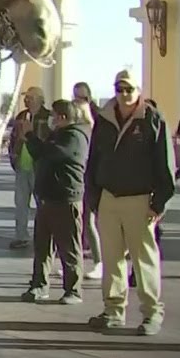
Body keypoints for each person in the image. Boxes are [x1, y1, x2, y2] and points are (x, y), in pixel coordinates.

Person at [85, 70, 174, 335]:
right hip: (109, 198)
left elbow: (166, 166)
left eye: (129, 89)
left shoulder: (152, 119)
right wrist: (94, 198)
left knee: (144, 259)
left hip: (140, 199)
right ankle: (113, 310)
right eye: (119, 88)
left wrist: (158, 204)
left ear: (138, 91)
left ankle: (151, 314)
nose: (124, 94)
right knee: (112, 259)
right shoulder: (104, 119)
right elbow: (94, 160)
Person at [20, 99, 90, 304]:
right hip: (47, 198)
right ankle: (39, 285)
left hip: (66, 198)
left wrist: (31, 136)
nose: (50, 119)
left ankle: (73, 290)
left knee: (69, 247)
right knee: (42, 247)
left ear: (62, 117)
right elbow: (39, 154)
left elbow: (49, 154)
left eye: (53, 115)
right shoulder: (56, 135)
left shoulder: (74, 137)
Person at [8, 86, 50, 249]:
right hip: (21, 166)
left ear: (40, 99)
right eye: (26, 97)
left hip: (39, 167)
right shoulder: (21, 116)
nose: (27, 100)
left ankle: (44, 236)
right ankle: (21, 236)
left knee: (42, 205)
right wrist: (13, 155)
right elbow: (13, 137)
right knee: (20, 203)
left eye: (30, 97)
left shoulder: (47, 117)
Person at [72, 83, 102, 281]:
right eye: (75, 97)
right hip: (79, 179)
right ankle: (75, 263)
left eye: (81, 98)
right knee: (79, 223)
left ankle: (99, 262)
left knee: (89, 222)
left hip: (90, 180)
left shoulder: (95, 126)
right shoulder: (78, 127)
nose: (77, 101)